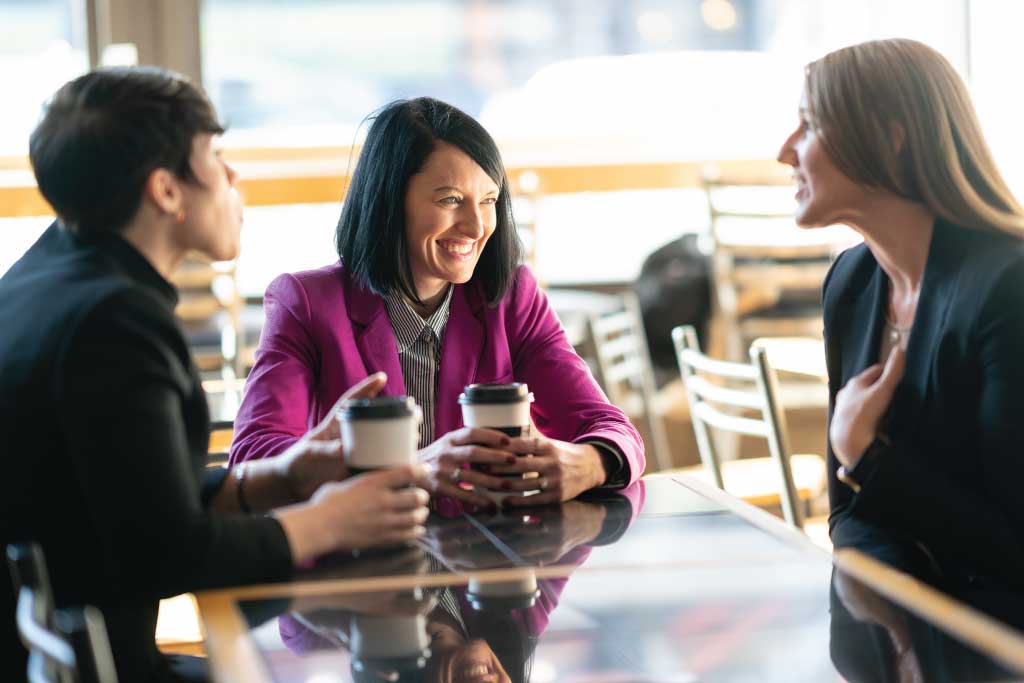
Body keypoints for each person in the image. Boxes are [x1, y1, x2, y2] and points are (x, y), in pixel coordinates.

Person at [0, 67, 430, 683]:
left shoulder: (46, 276)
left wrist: (281, 476)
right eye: (217, 157)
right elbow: (170, 554)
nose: (235, 177)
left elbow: (128, 499)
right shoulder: (114, 322)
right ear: (166, 191)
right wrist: (331, 519)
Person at [229, 97, 645, 509]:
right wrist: (417, 469)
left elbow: (611, 428)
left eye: (488, 200)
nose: (478, 225)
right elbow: (253, 458)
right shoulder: (306, 304)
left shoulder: (513, 298)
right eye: (450, 200)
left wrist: (587, 463)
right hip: (362, 560)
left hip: (491, 560)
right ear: (389, 201)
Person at [777, 39, 1024, 592]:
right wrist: (890, 640)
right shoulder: (851, 283)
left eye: (808, 126)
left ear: (890, 139)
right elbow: (848, 518)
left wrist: (865, 455)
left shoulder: (1009, 288)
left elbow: (1013, 547)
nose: (785, 152)